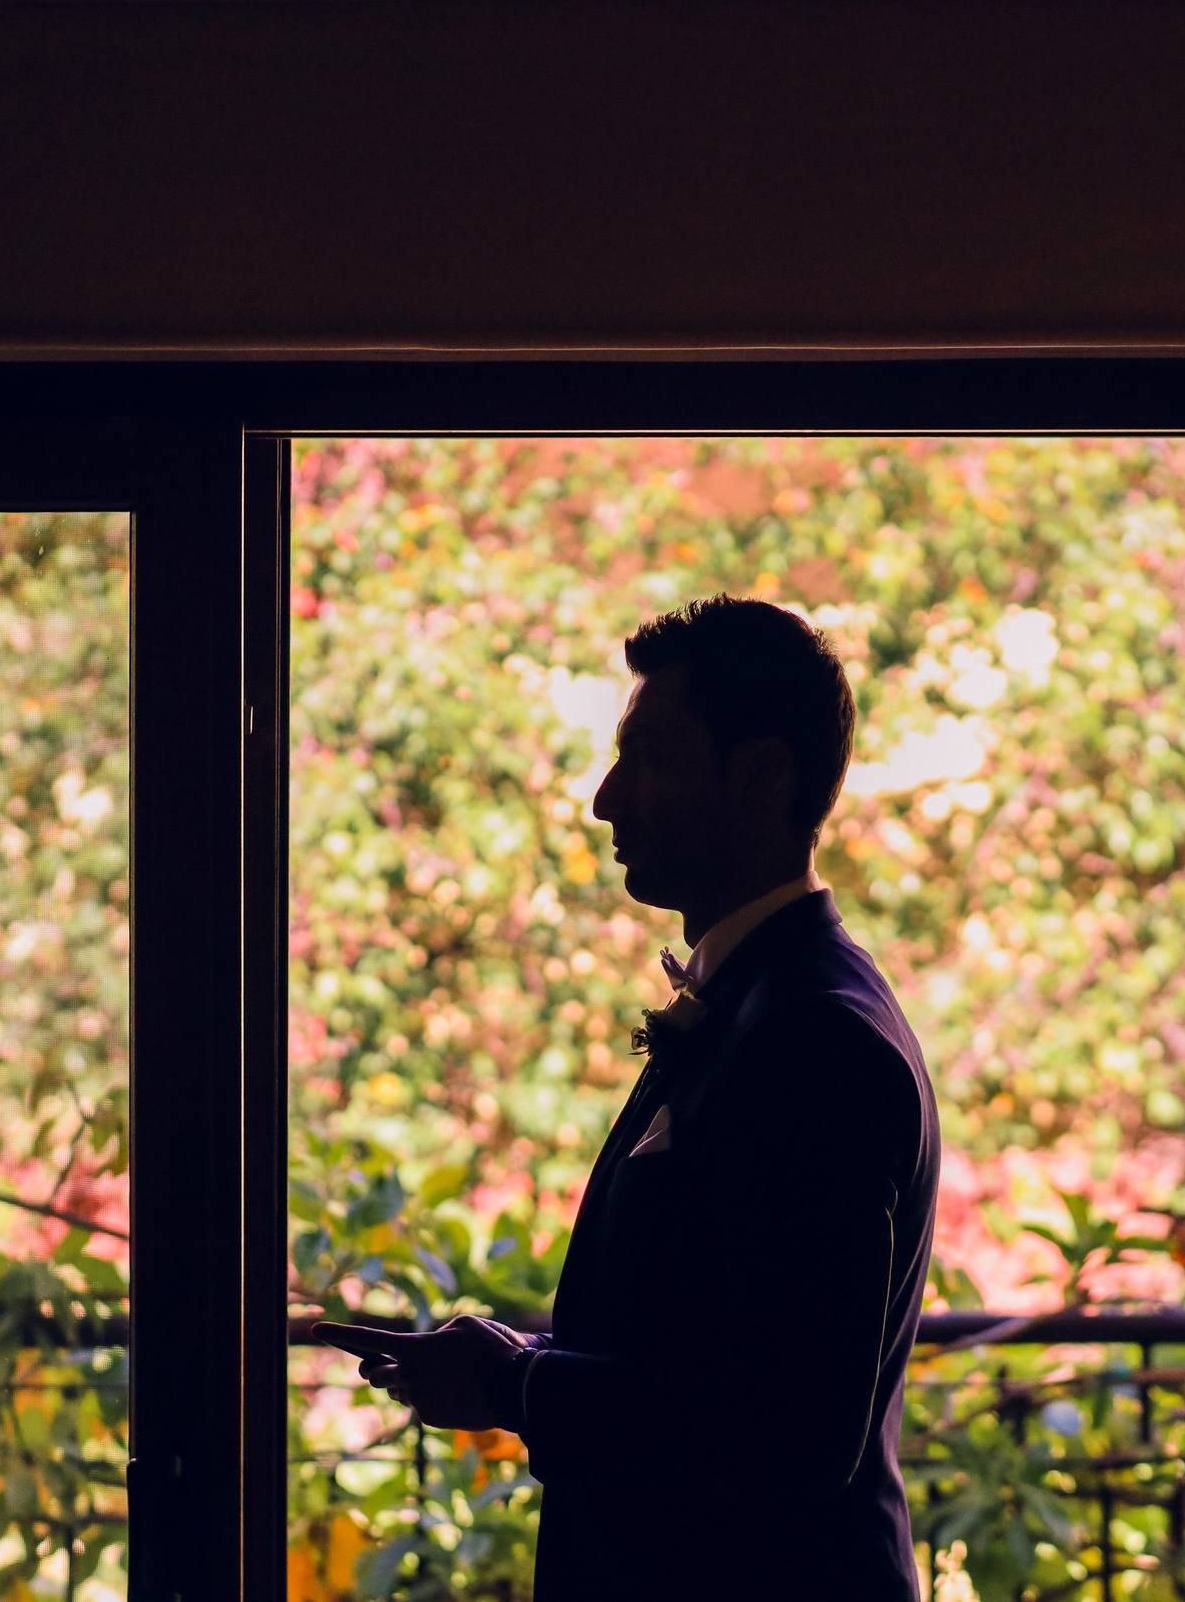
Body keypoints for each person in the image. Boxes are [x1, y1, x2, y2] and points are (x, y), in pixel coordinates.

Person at [317, 595, 942, 1601]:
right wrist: (516, 1358)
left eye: (650, 756)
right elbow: (709, 1338)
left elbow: (791, 1433)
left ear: (759, 775)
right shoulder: (762, 1002)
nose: (607, 800)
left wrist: (515, 1388)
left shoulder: (814, 1036)